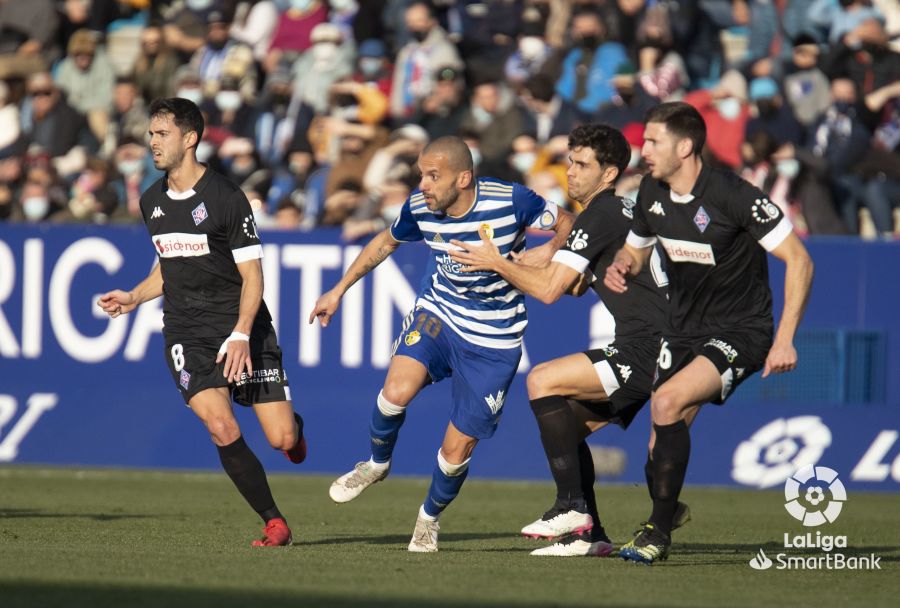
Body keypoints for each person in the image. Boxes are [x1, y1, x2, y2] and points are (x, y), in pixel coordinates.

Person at [309, 135, 574, 553]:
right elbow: (384, 242)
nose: (423, 185)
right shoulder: (419, 208)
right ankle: (377, 464)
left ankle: (428, 519)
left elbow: (567, 224)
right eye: (420, 175)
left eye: (433, 176)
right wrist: (338, 289)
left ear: (464, 177)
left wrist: (550, 250)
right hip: (440, 314)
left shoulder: (512, 200)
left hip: (495, 337)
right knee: (395, 392)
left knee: (457, 448)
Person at [448, 123, 689, 558]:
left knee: (542, 380)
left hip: (649, 346)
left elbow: (549, 291)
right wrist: (522, 261)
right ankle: (590, 536)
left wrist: (496, 262)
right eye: (569, 162)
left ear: (610, 173)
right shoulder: (611, 216)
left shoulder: (604, 213)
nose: (571, 173)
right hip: (662, 347)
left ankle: (571, 508)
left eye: (582, 165)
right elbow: (574, 285)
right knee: (568, 426)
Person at [604, 102, 814, 564]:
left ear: (685, 146)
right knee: (658, 447)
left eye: (654, 141)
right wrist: (623, 264)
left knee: (665, 402)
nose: (645, 150)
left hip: (742, 330)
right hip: (683, 331)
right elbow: (635, 252)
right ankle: (669, 507)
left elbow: (800, 259)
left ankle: (656, 534)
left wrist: (784, 338)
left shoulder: (735, 195)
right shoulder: (649, 193)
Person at [97, 98, 307, 547]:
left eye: (162, 134)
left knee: (281, 437)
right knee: (221, 426)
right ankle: (274, 522)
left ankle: (295, 429)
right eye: (151, 134)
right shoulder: (151, 200)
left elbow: (254, 275)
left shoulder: (227, 198)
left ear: (190, 139)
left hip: (242, 328)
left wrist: (240, 334)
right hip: (186, 331)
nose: (152, 142)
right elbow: (168, 266)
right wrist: (135, 295)